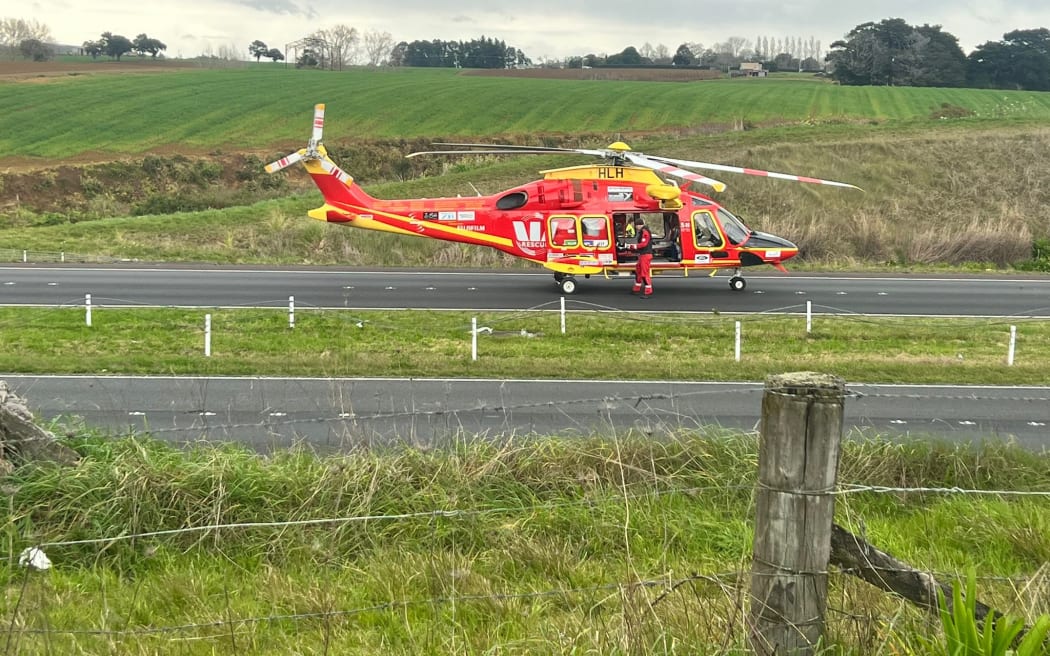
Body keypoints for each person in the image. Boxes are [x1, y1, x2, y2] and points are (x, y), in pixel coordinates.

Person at [623, 216, 653, 297]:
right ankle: (636, 288)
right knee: (638, 271)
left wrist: (632, 247)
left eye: (636, 225)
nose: (636, 227)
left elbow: (644, 244)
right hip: (642, 255)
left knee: (644, 273)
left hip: (645, 255)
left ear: (639, 225)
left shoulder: (645, 232)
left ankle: (648, 291)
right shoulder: (643, 232)